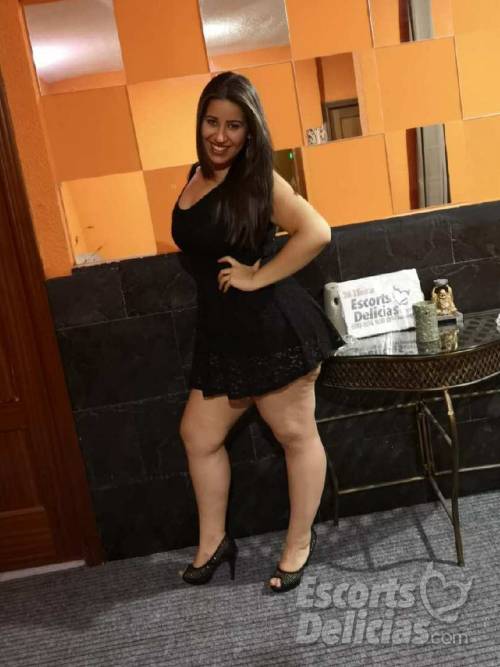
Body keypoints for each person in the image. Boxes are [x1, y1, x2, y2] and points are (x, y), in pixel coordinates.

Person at [171, 71, 340, 593]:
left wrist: (257, 275)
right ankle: (214, 543)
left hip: (272, 331)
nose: (220, 136)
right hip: (224, 336)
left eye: (234, 126)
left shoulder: (259, 180)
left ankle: (298, 543)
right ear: (200, 122)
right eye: (212, 122)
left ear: (250, 131)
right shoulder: (196, 175)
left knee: (295, 435)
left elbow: (317, 231)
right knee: (198, 435)